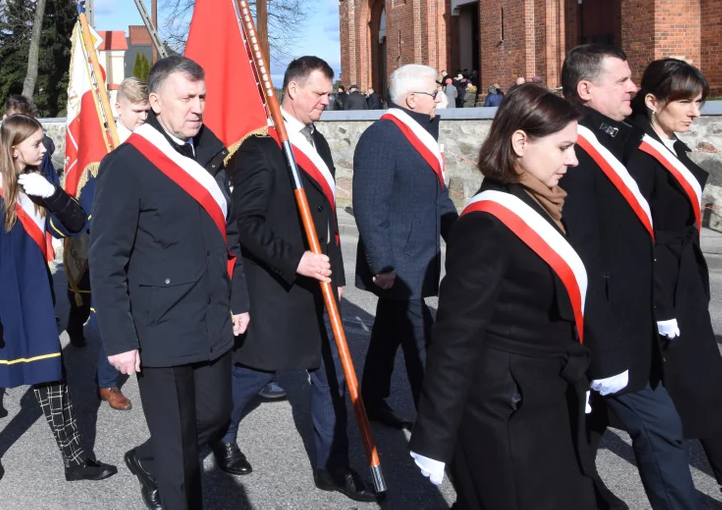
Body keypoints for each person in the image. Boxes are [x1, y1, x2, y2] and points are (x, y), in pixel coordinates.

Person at [409, 83, 595, 508]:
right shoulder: (487, 222)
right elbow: (457, 335)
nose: (573, 160)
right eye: (564, 147)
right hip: (508, 412)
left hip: (547, 397)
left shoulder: (544, 202)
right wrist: (435, 436)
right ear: (520, 142)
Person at [90, 56, 249, 510]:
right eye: (187, 98)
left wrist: (239, 300)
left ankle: (147, 458)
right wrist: (119, 339)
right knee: (181, 452)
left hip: (213, 318)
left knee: (216, 417)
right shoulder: (127, 164)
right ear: (157, 103)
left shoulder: (212, 153)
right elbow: (106, 259)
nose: (198, 107)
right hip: (158, 327)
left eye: (202, 97)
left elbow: (230, 236)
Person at [219, 56, 375, 502]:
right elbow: (244, 224)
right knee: (253, 372)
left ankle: (333, 467)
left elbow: (324, 220)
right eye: (319, 93)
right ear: (291, 90)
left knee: (333, 375)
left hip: (320, 284)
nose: (328, 101)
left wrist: (337, 274)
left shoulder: (317, 142)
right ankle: (220, 433)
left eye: (329, 93)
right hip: (278, 287)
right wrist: (297, 261)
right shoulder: (260, 148)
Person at [559, 44, 697, 509]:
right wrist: (605, 350)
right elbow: (583, 261)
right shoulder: (573, 154)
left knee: (579, 435)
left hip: (634, 323)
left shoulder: (617, 140)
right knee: (661, 431)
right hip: (608, 334)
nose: (634, 87)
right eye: (622, 80)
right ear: (586, 89)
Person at [0, 115, 117, 484]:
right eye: (37, 143)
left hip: (35, 298)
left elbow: (76, 224)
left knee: (51, 377)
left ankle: (75, 459)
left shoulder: (40, 183)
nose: (44, 148)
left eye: (43, 142)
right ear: (14, 149)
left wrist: (51, 193)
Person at [627, 58, 722, 491]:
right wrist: (662, 304)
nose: (695, 113)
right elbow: (641, 240)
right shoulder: (638, 152)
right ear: (653, 100)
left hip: (685, 281)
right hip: (663, 288)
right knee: (700, 387)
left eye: (699, 103)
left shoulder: (670, 142)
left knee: (702, 387)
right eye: (686, 102)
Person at [353, 64, 458, 428]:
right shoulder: (383, 137)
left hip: (419, 256)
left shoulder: (420, 134)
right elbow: (370, 205)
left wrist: (461, 239)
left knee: (387, 332)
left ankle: (370, 399)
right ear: (412, 99)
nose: (441, 99)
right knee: (422, 342)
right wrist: (382, 263)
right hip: (398, 262)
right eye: (434, 93)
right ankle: (437, 427)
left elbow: (439, 197)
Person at [69, 77, 150, 411]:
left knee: (126, 309)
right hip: (104, 239)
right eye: (137, 111)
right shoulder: (103, 145)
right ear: (118, 108)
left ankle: (107, 377)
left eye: (148, 110)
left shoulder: (154, 139)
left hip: (143, 238)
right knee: (96, 307)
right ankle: (103, 378)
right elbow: (89, 202)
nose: (145, 117)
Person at [0, 96, 58, 185]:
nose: (22, 129)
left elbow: (54, 189)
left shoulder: (40, 154)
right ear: (5, 119)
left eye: (27, 123)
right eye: (16, 122)